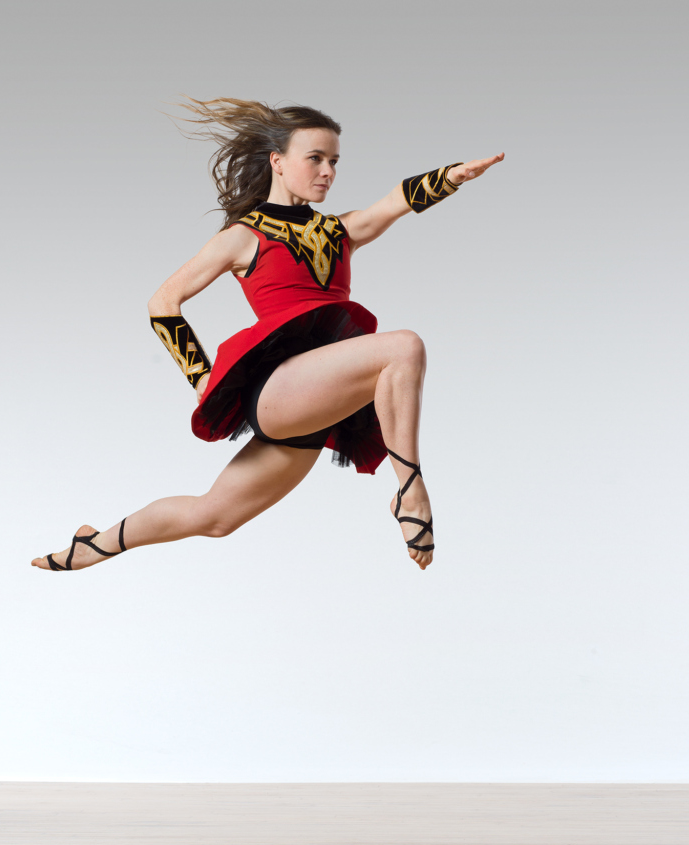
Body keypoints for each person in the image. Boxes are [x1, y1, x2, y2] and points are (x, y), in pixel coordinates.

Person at [32, 97, 503, 574]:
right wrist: (201, 378)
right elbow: (163, 302)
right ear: (277, 161)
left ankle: (95, 543)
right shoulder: (243, 237)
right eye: (315, 158)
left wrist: (453, 176)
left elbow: (395, 201)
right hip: (279, 390)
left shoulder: (340, 231)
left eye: (334, 161)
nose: (328, 172)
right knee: (404, 347)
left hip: (317, 400)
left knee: (214, 517)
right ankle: (410, 489)